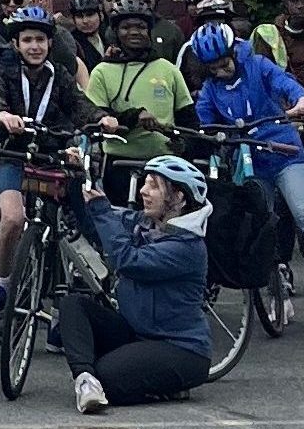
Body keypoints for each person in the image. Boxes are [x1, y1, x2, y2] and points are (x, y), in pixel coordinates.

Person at [185, 22, 304, 309]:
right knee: (259, 227)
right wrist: (209, 135)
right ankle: (274, 289)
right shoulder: (209, 90)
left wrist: (301, 101)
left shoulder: (259, 66)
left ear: (234, 52)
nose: (221, 71)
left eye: (224, 63)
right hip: (248, 160)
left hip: (285, 152)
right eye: (213, 68)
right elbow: (204, 123)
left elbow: (286, 84)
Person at [58, 152, 212, 412]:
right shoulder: (146, 223)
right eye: (145, 183)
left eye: (153, 185)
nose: (143, 191)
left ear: (178, 197)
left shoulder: (187, 247)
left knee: (108, 376)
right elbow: (97, 228)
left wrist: (103, 212)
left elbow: (128, 260)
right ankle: (85, 380)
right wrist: (76, 181)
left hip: (181, 349)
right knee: (73, 305)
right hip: (138, 333)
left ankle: (165, 386)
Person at [0, 6, 91, 314]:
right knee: (13, 218)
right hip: (11, 153)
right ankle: (0, 285)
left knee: (77, 218)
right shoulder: (3, 69)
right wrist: (2, 114)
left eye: (40, 39)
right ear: (16, 44)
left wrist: (102, 119)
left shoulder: (60, 75)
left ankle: (64, 306)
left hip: (49, 154)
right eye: (27, 40)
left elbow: (81, 106)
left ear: (50, 43)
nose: (34, 46)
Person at [86, 0, 196, 192]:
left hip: (164, 167)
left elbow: (189, 121)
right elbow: (96, 120)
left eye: (141, 26)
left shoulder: (168, 70)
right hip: (118, 165)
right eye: (126, 27)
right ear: (115, 33)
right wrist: (134, 117)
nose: (134, 32)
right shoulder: (101, 72)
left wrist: (184, 143)